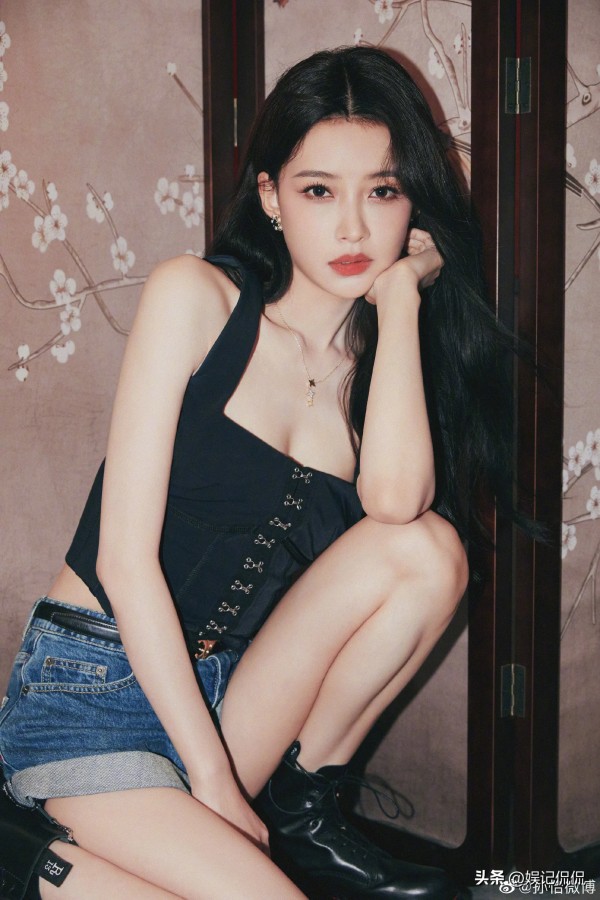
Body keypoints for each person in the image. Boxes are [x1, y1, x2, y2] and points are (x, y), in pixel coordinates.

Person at [0, 45, 514, 899]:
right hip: (93, 692)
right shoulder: (195, 299)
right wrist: (208, 779)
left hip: (232, 696)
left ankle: (304, 810)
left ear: (412, 206)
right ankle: (39, 859)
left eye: (382, 192)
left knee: (430, 550)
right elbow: (125, 562)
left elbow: (399, 508)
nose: (352, 230)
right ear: (271, 197)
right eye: (319, 191)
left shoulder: (386, 372)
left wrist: (398, 302)